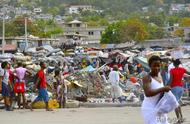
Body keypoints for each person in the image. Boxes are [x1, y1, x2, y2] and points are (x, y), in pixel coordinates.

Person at [141, 56, 171, 124]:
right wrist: (163, 88)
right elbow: (148, 93)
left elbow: (161, 93)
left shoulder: (160, 76)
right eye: (154, 66)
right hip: (149, 108)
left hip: (160, 108)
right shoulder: (147, 78)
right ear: (149, 66)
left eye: (158, 66)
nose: (157, 68)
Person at [168, 59, 190, 123]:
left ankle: (179, 119)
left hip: (174, 88)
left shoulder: (172, 70)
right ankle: (181, 117)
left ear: (174, 64)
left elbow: (171, 80)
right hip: (181, 88)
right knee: (177, 103)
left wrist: (167, 86)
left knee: (175, 104)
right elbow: (188, 73)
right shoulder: (182, 69)